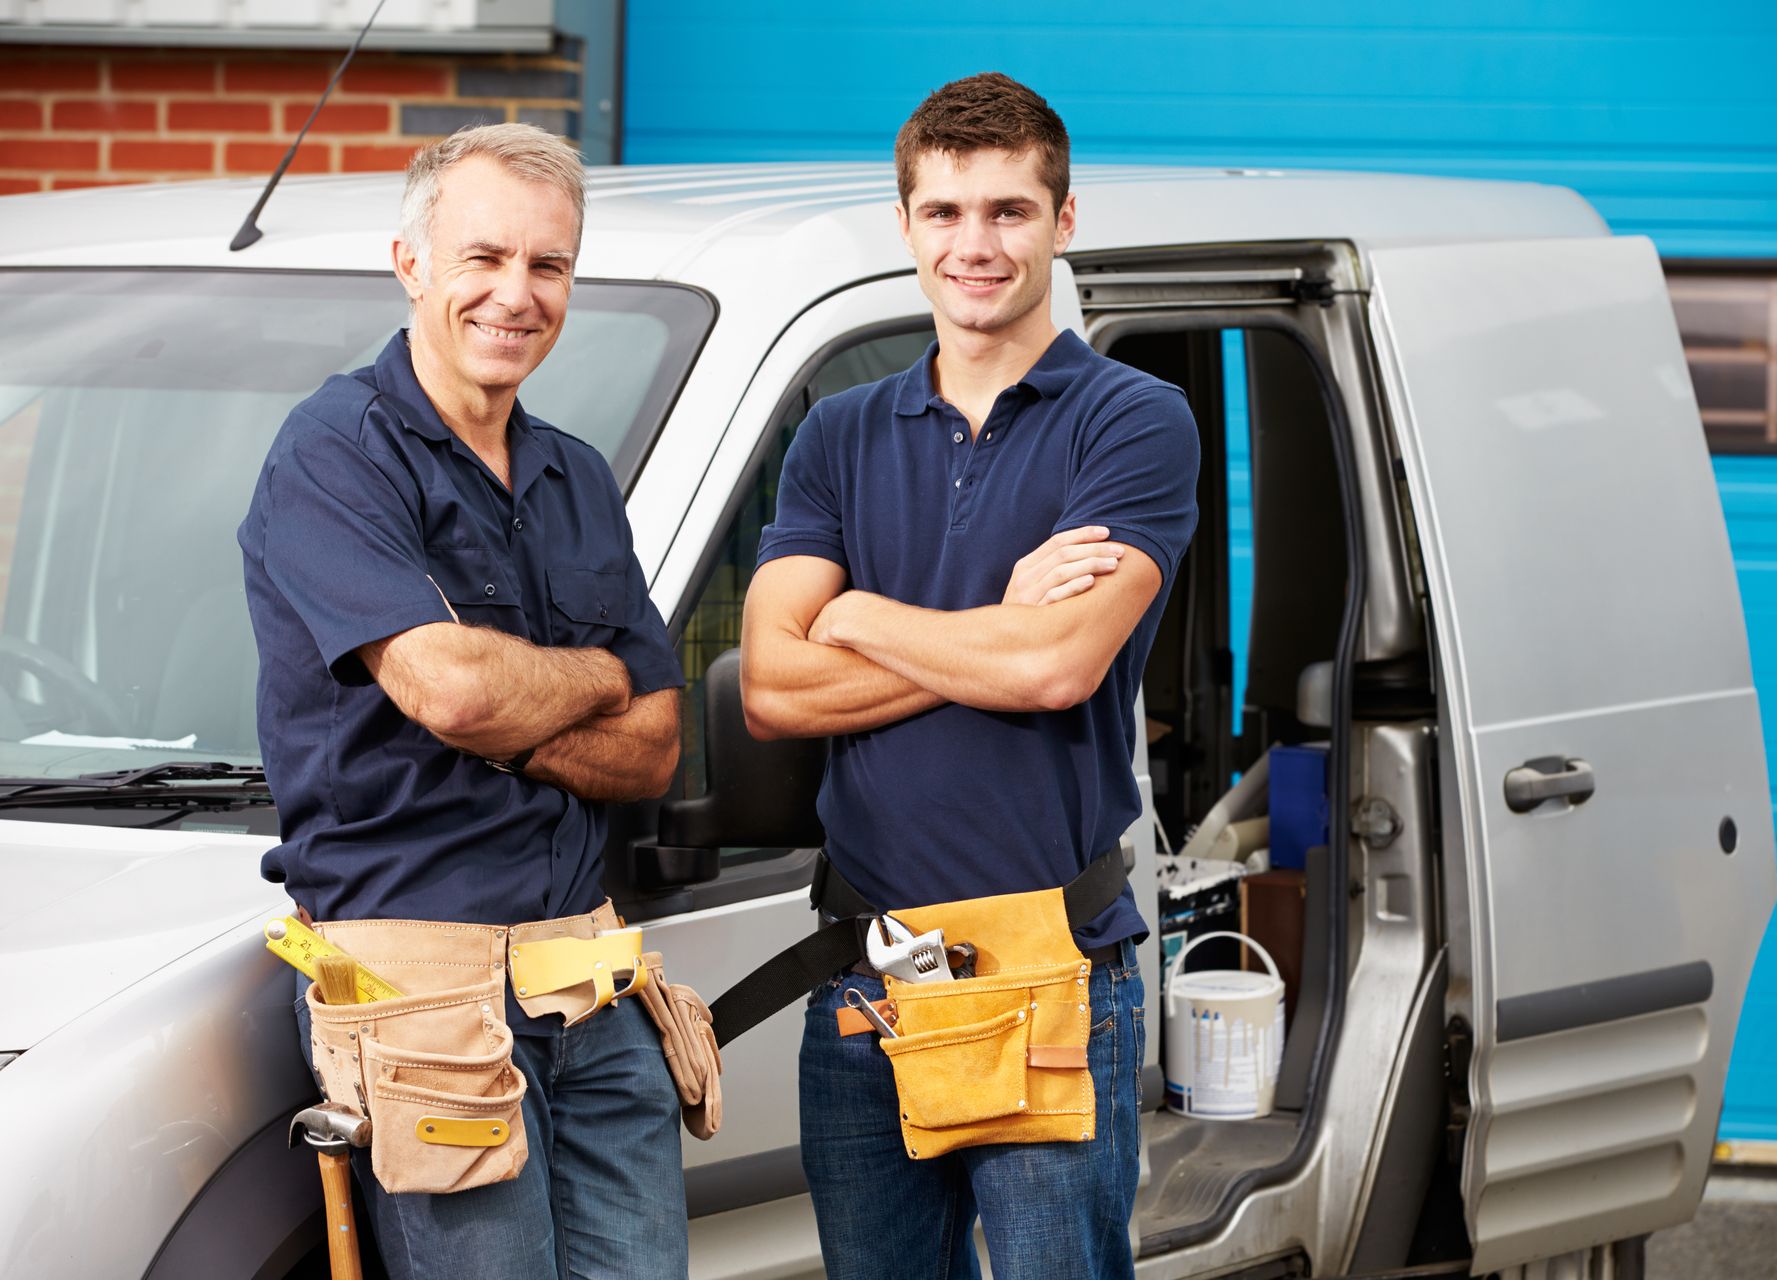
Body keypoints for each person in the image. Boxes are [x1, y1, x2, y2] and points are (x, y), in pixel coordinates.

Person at [739, 72, 1201, 1280]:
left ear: (1064, 219)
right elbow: (773, 690)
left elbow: (1055, 666)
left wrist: (858, 611)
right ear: (905, 226)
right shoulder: (838, 433)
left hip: (1050, 965)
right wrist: (990, 623)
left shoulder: (1133, 420)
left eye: (1007, 210)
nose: (974, 244)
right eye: (944, 213)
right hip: (866, 978)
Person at [237, 123, 690, 1280]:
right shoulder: (334, 453)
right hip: (418, 991)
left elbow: (653, 746)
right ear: (411, 264)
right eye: (483, 257)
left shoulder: (576, 475)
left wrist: (512, 696)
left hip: (583, 977)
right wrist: (590, 673)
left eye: (548, 266)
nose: (515, 293)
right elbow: (453, 692)